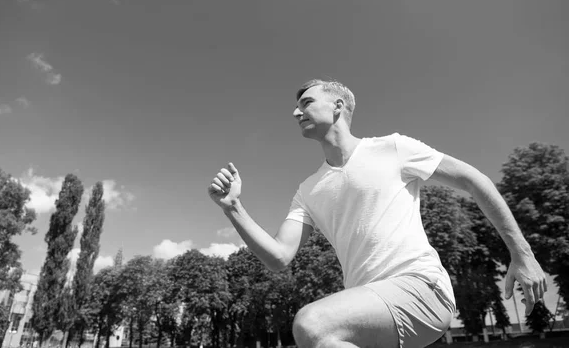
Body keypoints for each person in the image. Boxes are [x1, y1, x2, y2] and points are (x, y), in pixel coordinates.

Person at [207, 79, 546, 348]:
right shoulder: (308, 189)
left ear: (338, 106)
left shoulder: (392, 148)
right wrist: (233, 207)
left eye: (306, 103)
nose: (296, 113)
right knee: (326, 337)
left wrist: (522, 253)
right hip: (369, 313)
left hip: (422, 289)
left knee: (314, 324)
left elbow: (475, 180)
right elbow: (279, 257)